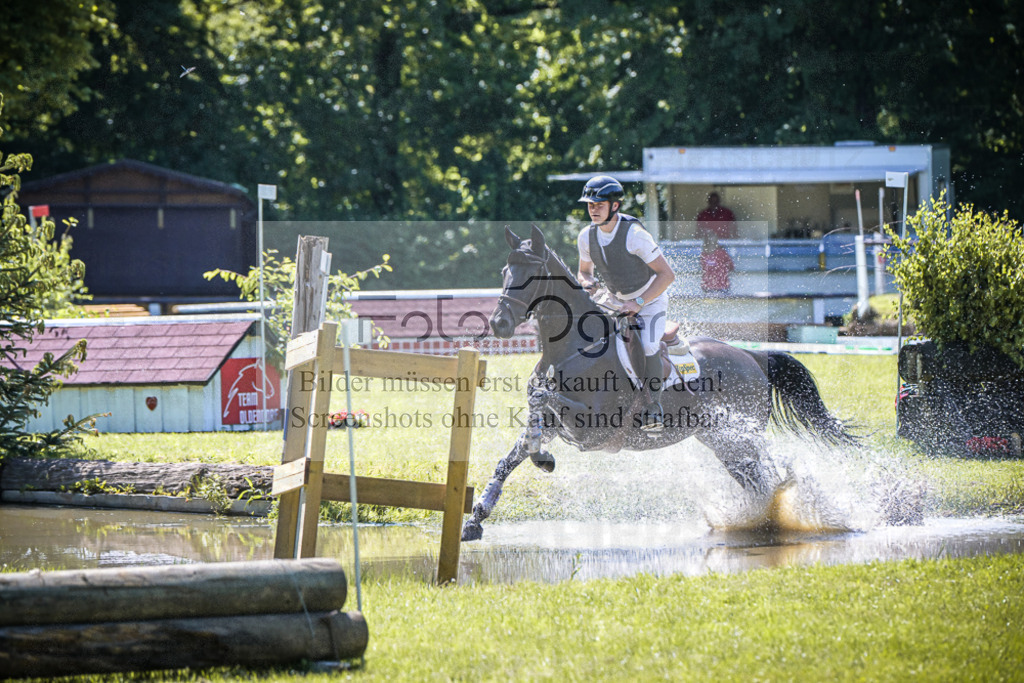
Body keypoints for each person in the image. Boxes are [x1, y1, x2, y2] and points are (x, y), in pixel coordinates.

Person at [576, 175, 676, 433]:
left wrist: (639, 302)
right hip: (615, 302)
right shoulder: (586, 237)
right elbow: (584, 271)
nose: (593, 210)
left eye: (599, 204)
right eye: (590, 205)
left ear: (615, 206)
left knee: (649, 344)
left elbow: (667, 275)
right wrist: (588, 283)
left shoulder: (635, 235)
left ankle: (653, 406)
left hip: (649, 299)